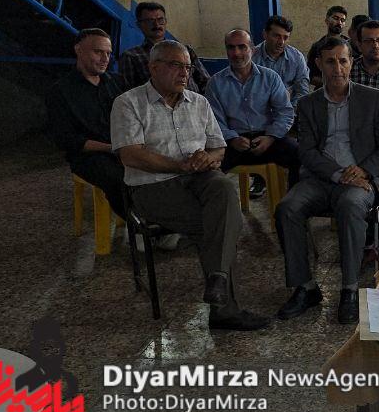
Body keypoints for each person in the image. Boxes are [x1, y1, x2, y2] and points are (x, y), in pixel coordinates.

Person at [111, 41, 268, 331]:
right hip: (152, 188)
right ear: (153, 67)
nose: (184, 73)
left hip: (199, 180)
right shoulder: (128, 103)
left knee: (223, 189)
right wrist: (179, 165)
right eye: (175, 65)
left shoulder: (198, 102)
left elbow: (219, 148)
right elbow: (130, 155)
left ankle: (217, 279)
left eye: (187, 67)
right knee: (219, 222)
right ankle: (224, 309)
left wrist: (207, 157)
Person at [275, 36, 379, 324]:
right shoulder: (308, 104)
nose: (338, 68)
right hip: (321, 177)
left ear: (352, 63)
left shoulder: (372, 98)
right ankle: (305, 287)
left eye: (343, 61)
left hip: (360, 179)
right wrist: (338, 174)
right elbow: (306, 151)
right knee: (287, 208)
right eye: (330, 62)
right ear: (319, 64)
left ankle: (349, 289)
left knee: (350, 206)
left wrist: (364, 170)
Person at [45, 28, 128, 221]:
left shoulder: (116, 83)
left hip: (122, 147)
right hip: (89, 156)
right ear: (78, 50)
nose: (105, 59)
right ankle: (139, 224)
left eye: (108, 53)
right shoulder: (61, 91)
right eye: (98, 52)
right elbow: (66, 140)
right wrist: (110, 148)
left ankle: (162, 218)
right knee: (120, 179)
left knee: (157, 166)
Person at [205, 29, 299, 188]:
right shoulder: (215, 83)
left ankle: (294, 200)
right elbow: (213, 121)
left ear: (252, 50)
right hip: (233, 143)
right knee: (209, 166)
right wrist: (232, 139)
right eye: (231, 47)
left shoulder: (270, 77)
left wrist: (270, 137)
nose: (236, 53)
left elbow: (285, 112)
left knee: (299, 154)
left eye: (242, 47)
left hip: (268, 139)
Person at [119, 2, 209, 92]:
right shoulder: (131, 57)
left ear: (165, 22)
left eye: (160, 20)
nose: (157, 25)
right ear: (139, 25)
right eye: (150, 21)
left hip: (193, 100)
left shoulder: (186, 51)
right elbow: (128, 92)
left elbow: (207, 83)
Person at [253, 15, 311, 105]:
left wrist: (291, 111)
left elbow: (302, 92)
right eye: (277, 36)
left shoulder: (297, 57)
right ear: (265, 34)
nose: (281, 42)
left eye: (285, 37)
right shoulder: (252, 57)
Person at [309, 5, 350, 87]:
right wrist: (332, 84)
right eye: (336, 18)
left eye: (342, 20)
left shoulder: (349, 45)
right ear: (327, 20)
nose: (339, 23)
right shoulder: (317, 46)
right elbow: (311, 76)